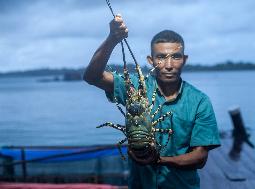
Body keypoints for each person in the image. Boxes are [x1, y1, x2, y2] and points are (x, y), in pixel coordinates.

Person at [84, 14, 221, 189]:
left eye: (176, 57)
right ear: (151, 60)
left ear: (184, 59)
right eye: (161, 57)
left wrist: (159, 159)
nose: (169, 64)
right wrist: (112, 39)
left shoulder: (200, 101)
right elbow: (92, 77)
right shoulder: (133, 87)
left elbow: (200, 157)